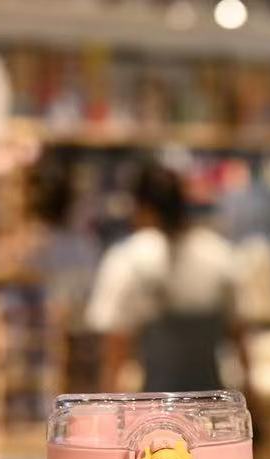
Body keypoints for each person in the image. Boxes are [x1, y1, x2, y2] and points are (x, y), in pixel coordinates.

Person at [85, 160, 252, 397]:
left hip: (152, 408)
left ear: (140, 207)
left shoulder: (129, 259)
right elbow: (239, 338)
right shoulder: (219, 254)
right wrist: (252, 400)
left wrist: (109, 406)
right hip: (213, 404)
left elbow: (115, 351)